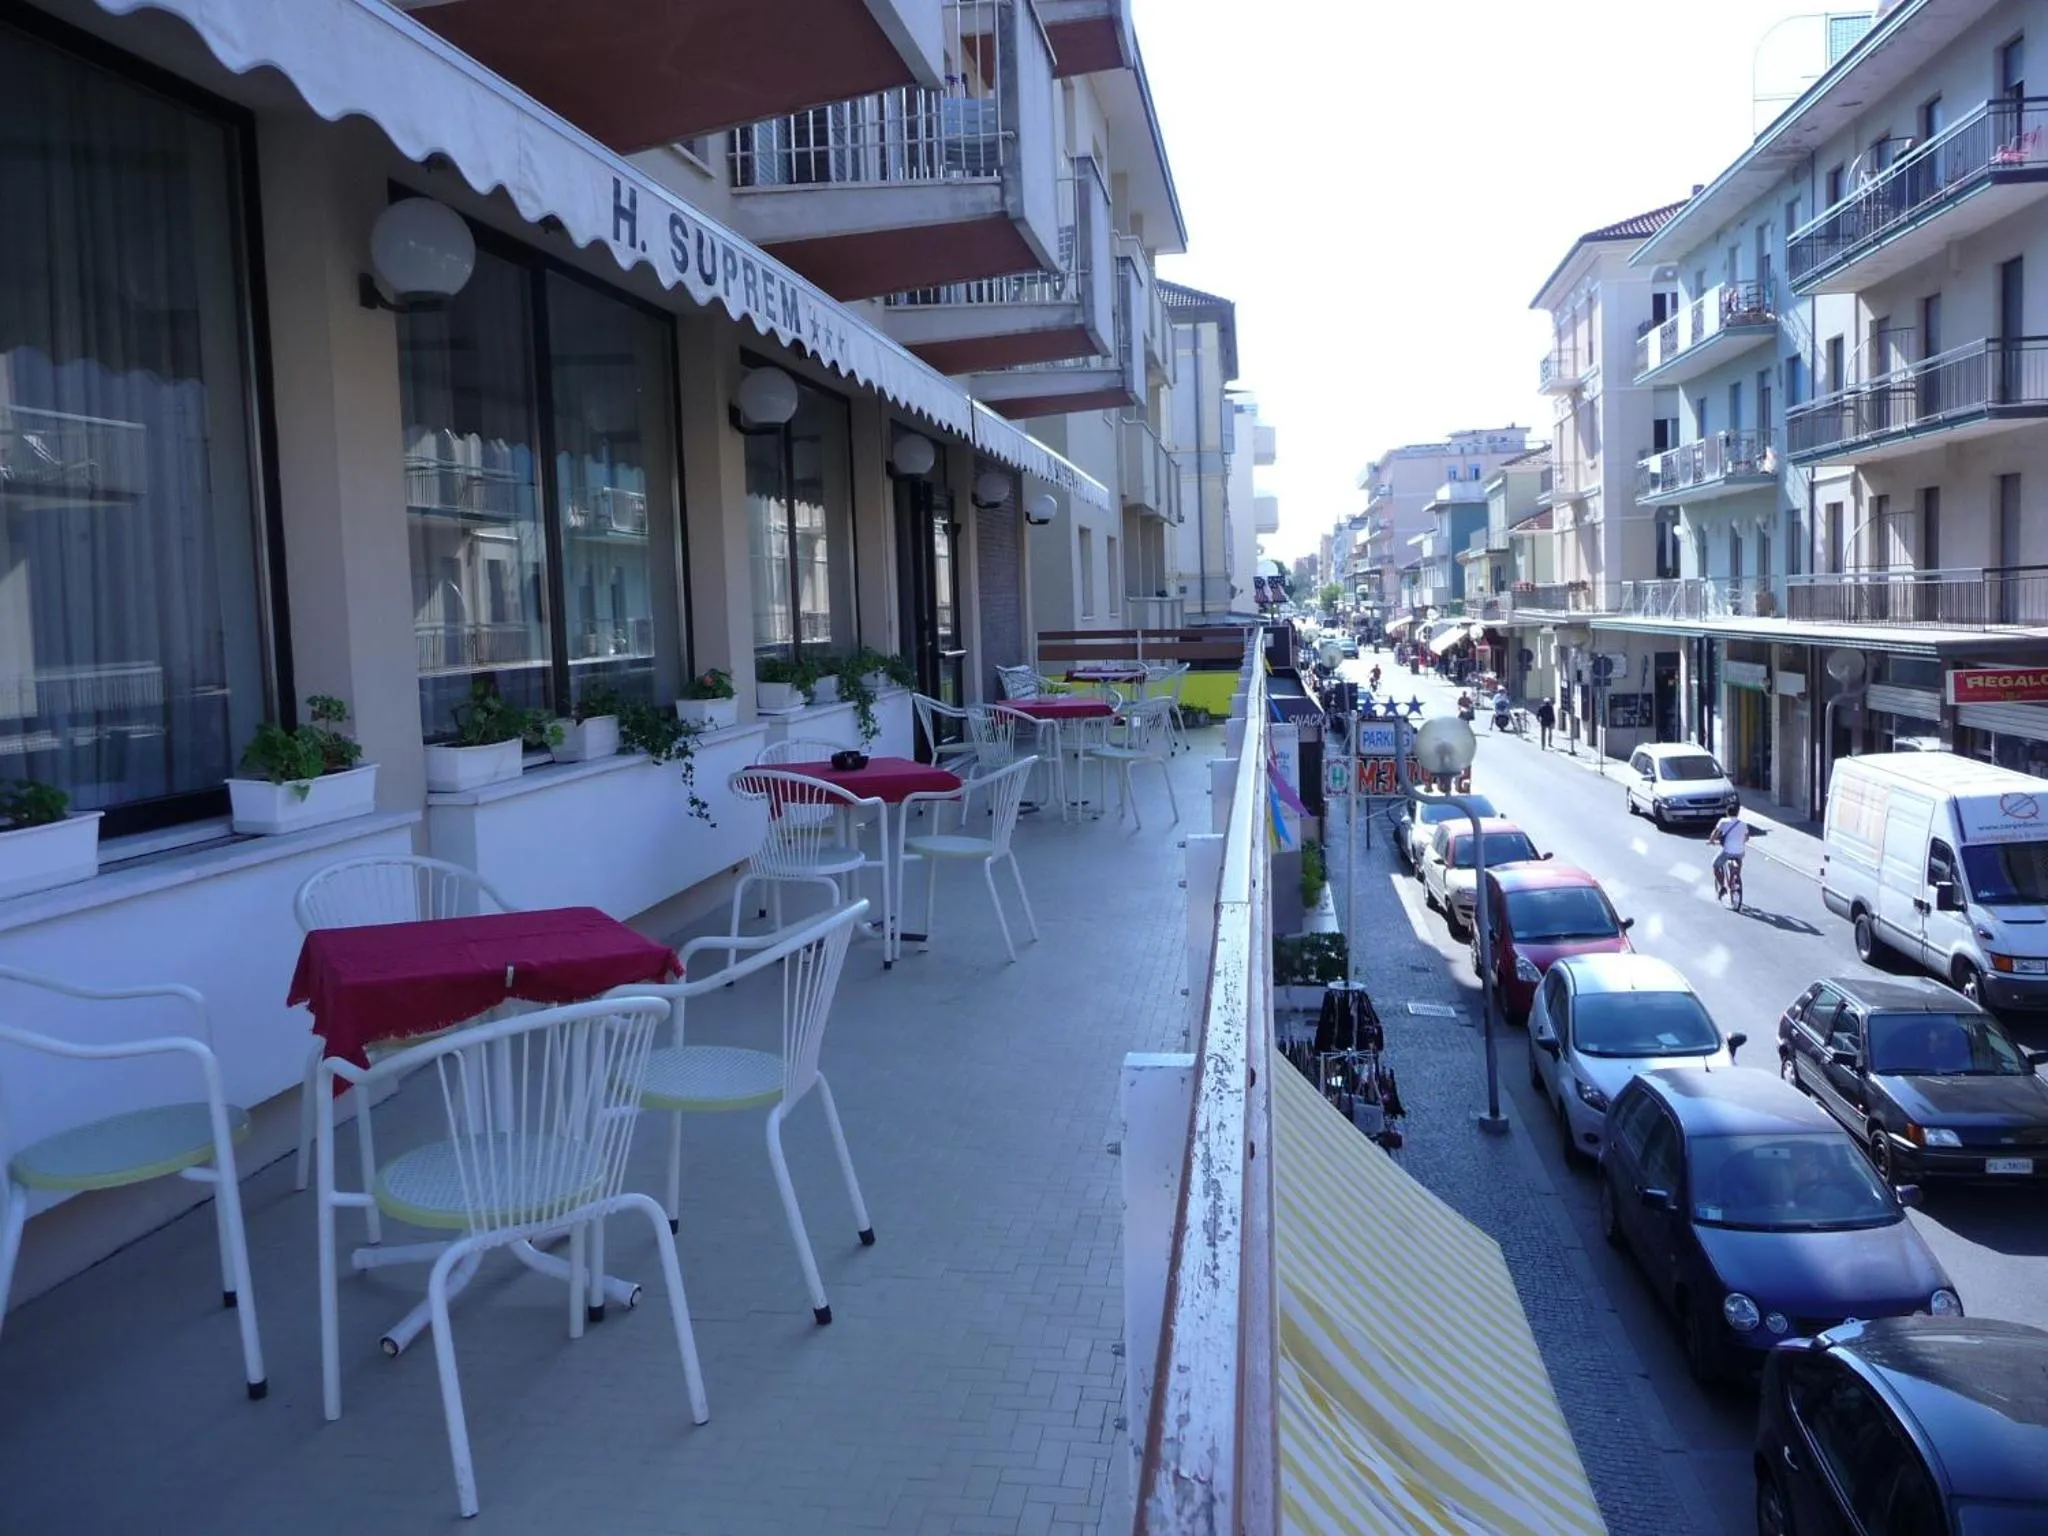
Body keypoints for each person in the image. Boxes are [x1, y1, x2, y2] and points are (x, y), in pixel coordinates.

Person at [1710, 804, 1750, 901]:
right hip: (1740, 851)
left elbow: (1716, 833)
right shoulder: (1743, 824)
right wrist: (1741, 841)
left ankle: (1723, 887)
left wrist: (1711, 840)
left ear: (1727, 813)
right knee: (1739, 859)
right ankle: (1736, 877)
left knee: (1715, 866)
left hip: (1727, 851)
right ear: (1738, 813)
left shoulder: (1723, 821)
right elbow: (1747, 837)